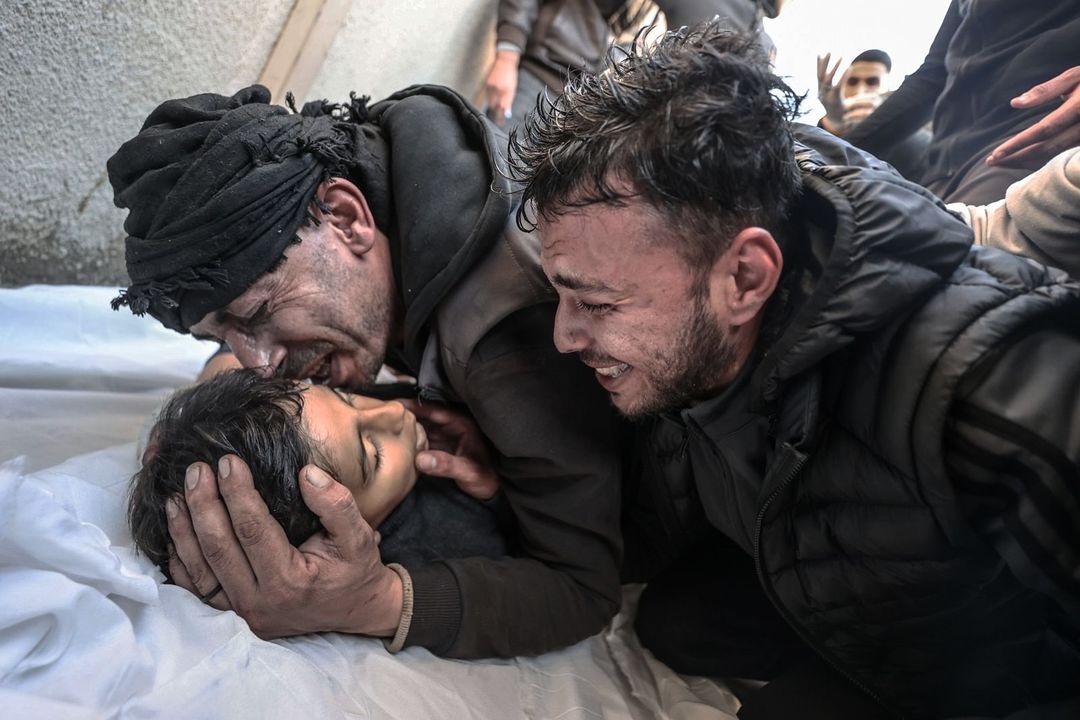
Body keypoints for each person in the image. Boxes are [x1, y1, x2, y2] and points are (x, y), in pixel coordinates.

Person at [509, 22, 1080, 719]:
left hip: (996, 666)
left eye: (597, 303)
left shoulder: (988, 381)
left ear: (746, 277)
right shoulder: (689, 340)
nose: (566, 337)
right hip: (864, 600)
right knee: (677, 622)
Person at [106, 84, 624, 658]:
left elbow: (583, 590)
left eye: (258, 313)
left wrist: (371, 602)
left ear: (346, 217)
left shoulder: (511, 338)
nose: (259, 366)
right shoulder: (372, 165)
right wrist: (207, 419)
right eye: (222, 337)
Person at [129, 370, 511, 596]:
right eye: (374, 453)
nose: (394, 411)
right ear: (330, 539)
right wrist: (497, 499)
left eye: (348, 398)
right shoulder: (439, 548)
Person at [843, 0, 1080, 205]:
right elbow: (932, 77)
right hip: (945, 162)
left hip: (1030, 137)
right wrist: (836, 148)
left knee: (950, 243)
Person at [816, 49, 930, 181]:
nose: (860, 90)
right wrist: (832, 127)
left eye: (872, 82)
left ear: (888, 87)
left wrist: (882, 122)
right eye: (852, 82)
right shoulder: (824, 129)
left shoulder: (919, 123)